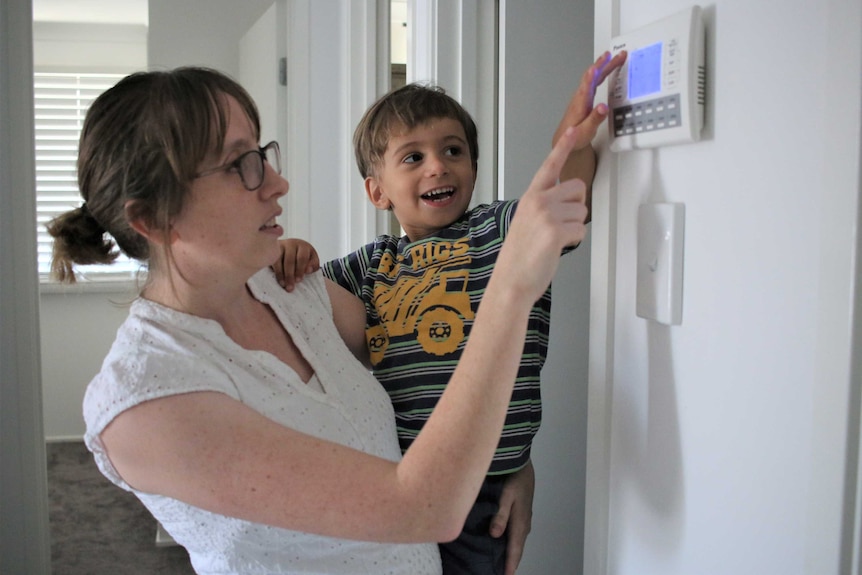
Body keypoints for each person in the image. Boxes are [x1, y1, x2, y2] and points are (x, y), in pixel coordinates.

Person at [45, 66, 593, 575]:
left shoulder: (294, 292)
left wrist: (504, 459)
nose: (278, 183)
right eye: (242, 165)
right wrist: (512, 287)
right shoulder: (143, 402)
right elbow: (419, 507)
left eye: (263, 153)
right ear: (154, 218)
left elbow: (428, 362)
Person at [276, 51, 626, 574]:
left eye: (452, 150)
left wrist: (574, 134)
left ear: (473, 167)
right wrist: (293, 253)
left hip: (485, 489)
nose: (437, 165)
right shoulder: (371, 266)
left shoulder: (498, 230)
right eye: (412, 158)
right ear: (378, 192)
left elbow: (563, 194)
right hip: (407, 471)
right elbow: (307, 302)